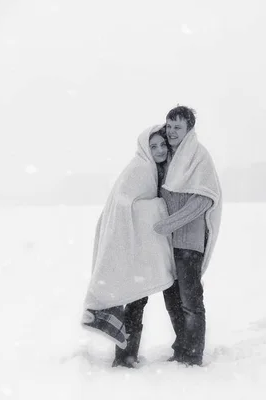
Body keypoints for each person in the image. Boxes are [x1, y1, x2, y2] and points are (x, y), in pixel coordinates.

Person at [81, 126, 175, 369]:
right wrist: (159, 207)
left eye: (162, 145)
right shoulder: (140, 168)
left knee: (136, 299)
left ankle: (126, 355)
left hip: (137, 245)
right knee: (135, 300)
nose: (159, 150)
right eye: (153, 146)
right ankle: (124, 357)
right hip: (129, 243)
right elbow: (125, 205)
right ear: (145, 147)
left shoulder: (153, 169)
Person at [153, 106, 222, 366]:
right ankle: (181, 347)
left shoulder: (198, 156)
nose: (171, 132)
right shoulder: (169, 157)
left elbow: (204, 199)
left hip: (190, 243)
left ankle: (192, 355)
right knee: (172, 300)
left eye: (177, 127)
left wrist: (169, 223)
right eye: (169, 126)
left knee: (191, 301)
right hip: (168, 243)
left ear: (189, 130)